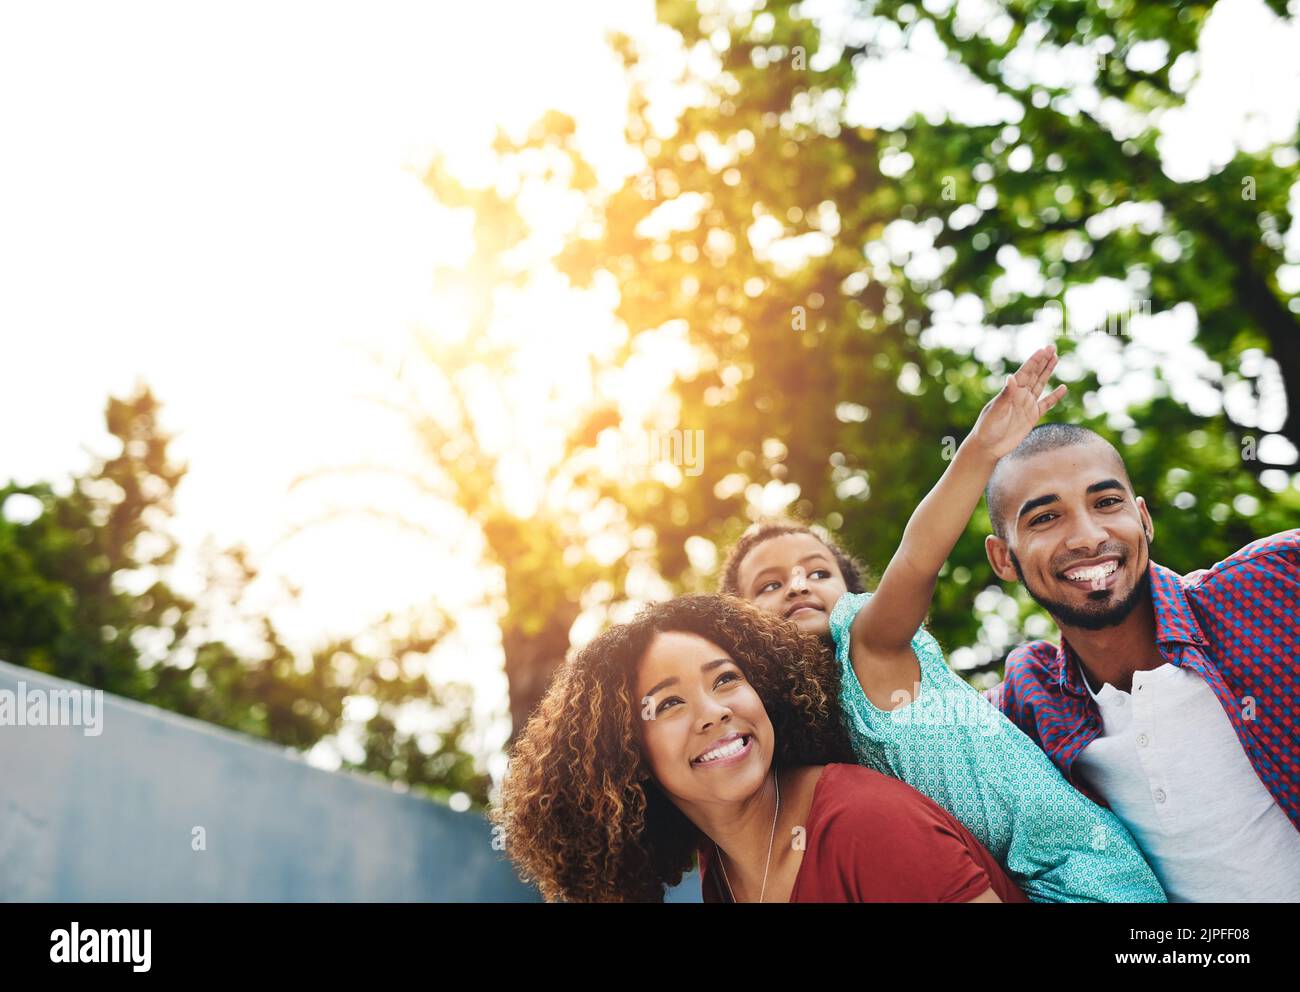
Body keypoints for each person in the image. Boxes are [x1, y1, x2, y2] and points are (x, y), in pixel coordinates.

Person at [719, 345, 1165, 902]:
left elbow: (916, 560)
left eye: (817, 571)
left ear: (854, 592)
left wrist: (980, 451)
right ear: (737, 622)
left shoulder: (869, 646)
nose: (799, 586)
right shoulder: (791, 727)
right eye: (769, 584)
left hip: (1084, 879)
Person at [491, 595, 1027, 902]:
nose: (714, 711)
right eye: (669, 704)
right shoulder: (720, 875)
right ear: (626, 756)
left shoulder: (865, 823)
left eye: (725, 679)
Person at [981, 421, 1300, 901]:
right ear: (1004, 559)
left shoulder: (1271, 583)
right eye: (1045, 518)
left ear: (1143, 518)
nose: (1087, 538)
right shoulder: (1031, 699)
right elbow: (888, 698)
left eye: (1106, 503)